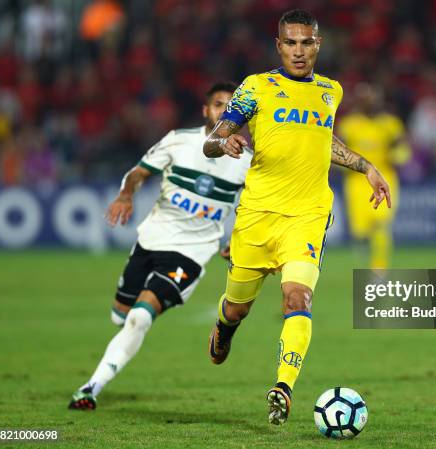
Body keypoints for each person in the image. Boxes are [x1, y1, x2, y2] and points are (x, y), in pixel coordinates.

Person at [203, 10, 391, 425]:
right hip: (257, 215)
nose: (299, 51)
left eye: (306, 42)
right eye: (291, 43)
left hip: (307, 214)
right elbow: (213, 140)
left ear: (318, 45)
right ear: (279, 45)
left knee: (297, 298)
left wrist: (365, 167)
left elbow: (324, 139)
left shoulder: (331, 91)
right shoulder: (257, 87)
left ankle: (282, 388)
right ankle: (224, 326)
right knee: (236, 309)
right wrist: (226, 140)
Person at [68, 82, 252, 410]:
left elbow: (254, 207)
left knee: (140, 318)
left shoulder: (247, 161)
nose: (224, 111)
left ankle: (90, 388)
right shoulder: (179, 141)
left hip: (191, 254)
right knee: (120, 316)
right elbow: (139, 172)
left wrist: (238, 240)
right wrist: (126, 194)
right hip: (151, 239)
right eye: (217, 105)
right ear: (205, 111)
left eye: (230, 107)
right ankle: (115, 347)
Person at [338, 82, 410, 269]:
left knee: (381, 223)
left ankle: (379, 268)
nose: (370, 102)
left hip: (384, 176)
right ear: (359, 102)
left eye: (373, 98)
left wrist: (398, 156)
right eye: (365, 99)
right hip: (356, 181)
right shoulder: (350, 125)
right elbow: (338, 150)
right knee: (360, 231)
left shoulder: (390, 124)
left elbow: (402, 148)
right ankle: (363, 261)